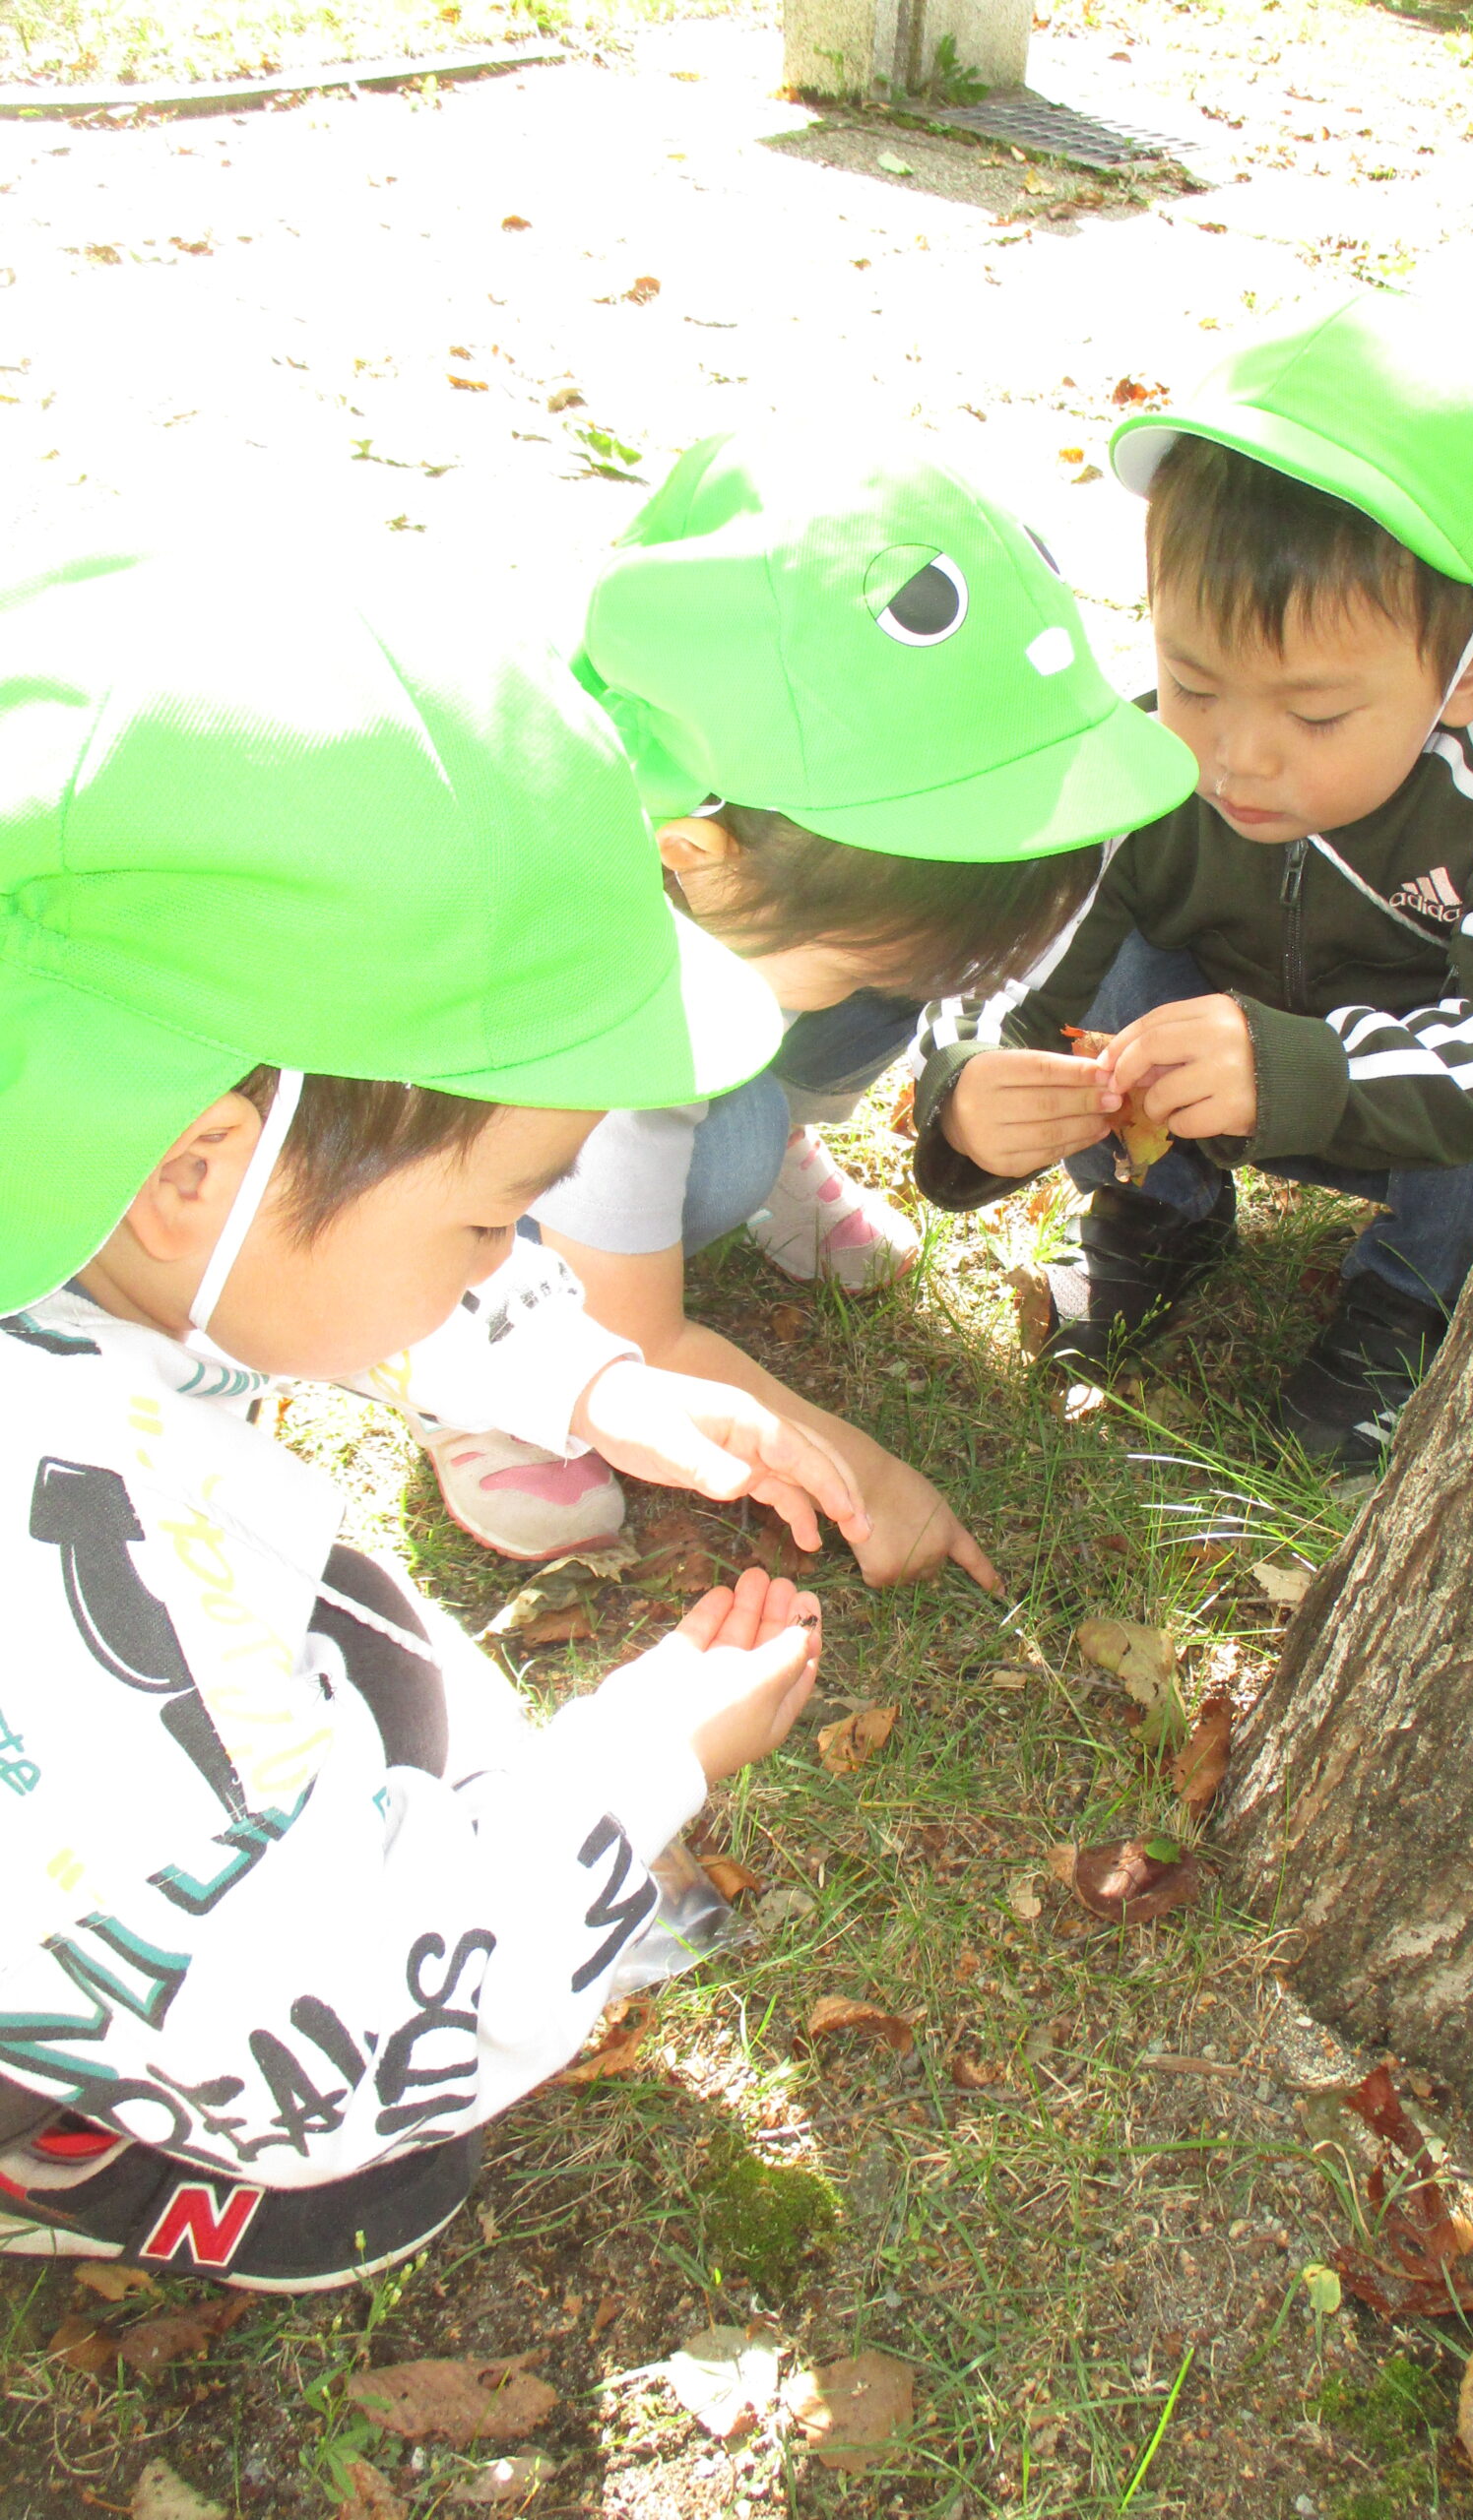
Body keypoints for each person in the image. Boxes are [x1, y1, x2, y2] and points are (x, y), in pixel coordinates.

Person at [0, 545, 864, 2290]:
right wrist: (643, 1765)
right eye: (491, 1218)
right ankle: (58, 2130)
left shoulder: (77, 1163)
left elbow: (328, 1271)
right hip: (178, 1955)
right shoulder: (79, 1552)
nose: (505, 1250)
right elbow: (316, 2017)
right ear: (196, 1176)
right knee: (349, 2135)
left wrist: (592, 1380)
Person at [423, 426, 1198, 1577]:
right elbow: (646, 1336)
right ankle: (483, 1365)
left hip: (698, 990)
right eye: (843, 965)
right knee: (664, 1170)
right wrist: (862, 1475)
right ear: (697, 855)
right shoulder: (590, 989)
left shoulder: (749, 855)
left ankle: (753, 1134)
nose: (887, 996)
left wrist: (926, 1014)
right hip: (440, 1149)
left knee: (848, 998)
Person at [907, 293, 1473, 1473]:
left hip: (1402, 1108)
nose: (1237, 754)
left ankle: (1406, 1299)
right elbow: (1019, 944)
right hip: (1202, 1079)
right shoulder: (1151, 765)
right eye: (1193, 680)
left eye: (1317, 711)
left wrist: (1303, 1066)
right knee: (1125, 948)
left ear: (1472, 676)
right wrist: (965, 1081)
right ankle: (1157, 1212)